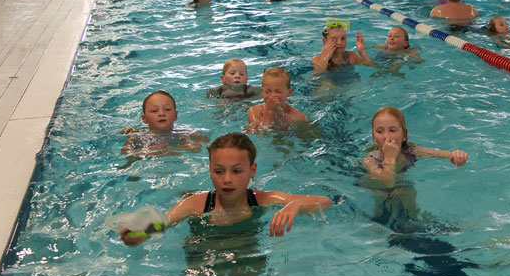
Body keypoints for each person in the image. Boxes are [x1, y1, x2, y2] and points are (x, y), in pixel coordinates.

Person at [116, 133, 333, 246]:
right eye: (218, 172)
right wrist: (138, 234)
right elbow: (163, 222)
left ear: (252, 171)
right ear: (210, 170)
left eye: (237, 171)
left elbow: (325, 201)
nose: (227, 180)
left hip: (245, 246)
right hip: (202, 251)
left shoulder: (263, 199)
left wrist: (295, 205)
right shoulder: (195, 204)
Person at [361, 107, 468, 188]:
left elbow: (436, 153)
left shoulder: (410, 150)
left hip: (401, 186)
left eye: (392, 130)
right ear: (373, 137)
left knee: (408, 191)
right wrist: (389, 158)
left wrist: (456, 155)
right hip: (377, 189)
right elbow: (387, 182)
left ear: (404, 135)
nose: (386, 137)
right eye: (380, 131)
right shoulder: (370, 160)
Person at [121, 91, 209, 157]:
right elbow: (125, 154)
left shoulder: (183, 133)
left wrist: (195, 140)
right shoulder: (137, 136)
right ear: (144, 119)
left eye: (167, 109)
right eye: (154, 111)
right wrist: (149, 151)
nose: (161, 113)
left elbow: (199, 146)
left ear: (175, 115)